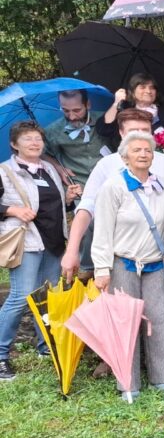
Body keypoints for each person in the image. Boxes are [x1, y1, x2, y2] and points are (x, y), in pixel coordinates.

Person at [90, 132, 164, 401]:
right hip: (122, 263)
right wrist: (102, 269)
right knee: (124, 326)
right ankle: (128, 384)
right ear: (125, 155)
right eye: (136, 150)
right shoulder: (113, 186)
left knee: (159, 321)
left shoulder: (162, 185)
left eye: (147, 150)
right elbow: (102, 229)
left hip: (154, 264)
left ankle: (162, 379)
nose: (143, 154)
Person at [60, 109, 164, 281]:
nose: (140, 136)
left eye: (145, 131)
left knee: (160, 306)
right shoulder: (107, 165)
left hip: (161, 255)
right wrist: (72, 251)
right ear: (121, 133)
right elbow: (86, 208)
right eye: (133, 132)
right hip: (120, 256)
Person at [0, 122, 77, 381]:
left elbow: (52, 207)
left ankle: (46, 347)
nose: (34, 143)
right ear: (14, 144)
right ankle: (1, 355)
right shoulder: (4, 171)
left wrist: (68, 198)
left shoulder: (49, 170)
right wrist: (12, 210)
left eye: (37, 138)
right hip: (27, 241)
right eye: (27, 139)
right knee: (21, 296)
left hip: (54, 242)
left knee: (47, 297)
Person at [43, 89, 105, 275]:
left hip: (107, 181)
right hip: (79, 184)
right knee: (85, 222)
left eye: (77, 110)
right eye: (65, 110)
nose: (71, 115)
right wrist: (58, 166)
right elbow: (43, 153)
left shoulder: (104, 121)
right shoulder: (53, 130)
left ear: (88, 105)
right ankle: (85, 270)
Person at [99, 73, 164, 163]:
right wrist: (116, 102)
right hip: (128, 163)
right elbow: (104, 129)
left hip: (162, 163)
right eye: (142, 87)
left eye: (152, 88)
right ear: (132, 91)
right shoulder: (124, 111)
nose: (148, 91)